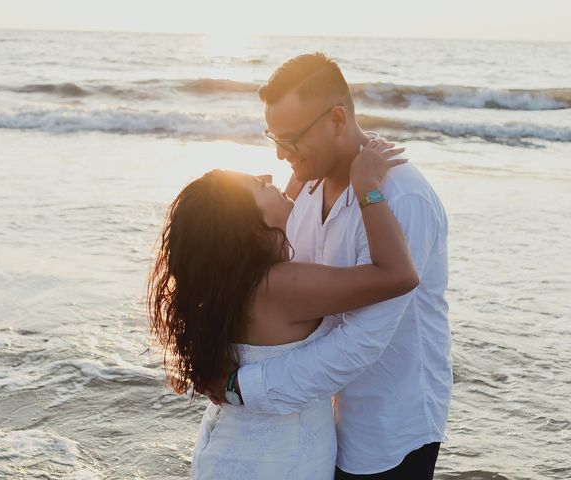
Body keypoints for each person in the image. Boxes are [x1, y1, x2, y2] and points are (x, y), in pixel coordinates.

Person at [205, 52, 452, 479]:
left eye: (293, 139)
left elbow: (362, 340)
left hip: (387, 425)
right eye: (274, 137)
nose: (281, 155)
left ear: (337, 119)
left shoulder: (401, 197)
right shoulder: (305, 184)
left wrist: (244, 387)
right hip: (315, 419)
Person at [148, 138, 417, 479]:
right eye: (259, 184)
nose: (269, 175)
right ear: (250, 227)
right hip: (273, 463)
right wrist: (367, 189)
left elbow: (282, 199)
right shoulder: (280, 285)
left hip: (239, 449)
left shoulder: (229, 284)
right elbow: (398, 275)